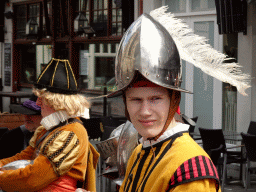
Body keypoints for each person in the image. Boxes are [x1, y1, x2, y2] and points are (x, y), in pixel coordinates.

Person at [105, 6, 250, 192]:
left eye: (155, 98)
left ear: (174, 101)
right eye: (135, 100)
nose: (145, 111)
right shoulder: (139, 152)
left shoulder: (190, 169)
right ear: (125, 103)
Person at [0, 58, 99, 192]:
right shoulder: (49, 128)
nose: (38, 104)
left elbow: (34, 177)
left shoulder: (71, 132)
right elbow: (24, 157)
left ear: (57, 102)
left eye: (42, 99)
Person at [0, 95, 42, 159]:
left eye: (32, 114)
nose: (26, 117)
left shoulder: (56, 136)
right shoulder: (11, 138)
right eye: (25, 112)